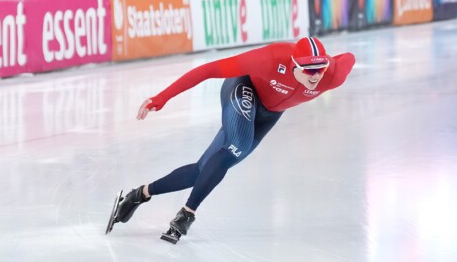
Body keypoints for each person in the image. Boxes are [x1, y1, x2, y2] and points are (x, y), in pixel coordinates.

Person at [107, 37, 356, 244]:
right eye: (308, 69)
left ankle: (139, 194)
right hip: (244, 89)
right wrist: (162, 97)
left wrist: (329, 63)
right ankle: (187, 214)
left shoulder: (332, 74)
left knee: (204, 171)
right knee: (237, 146)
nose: (315, 76)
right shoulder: (269, 58)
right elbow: (208, 70)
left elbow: (349, 58)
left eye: (320, 68)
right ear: (293, 64)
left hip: (269, 115)